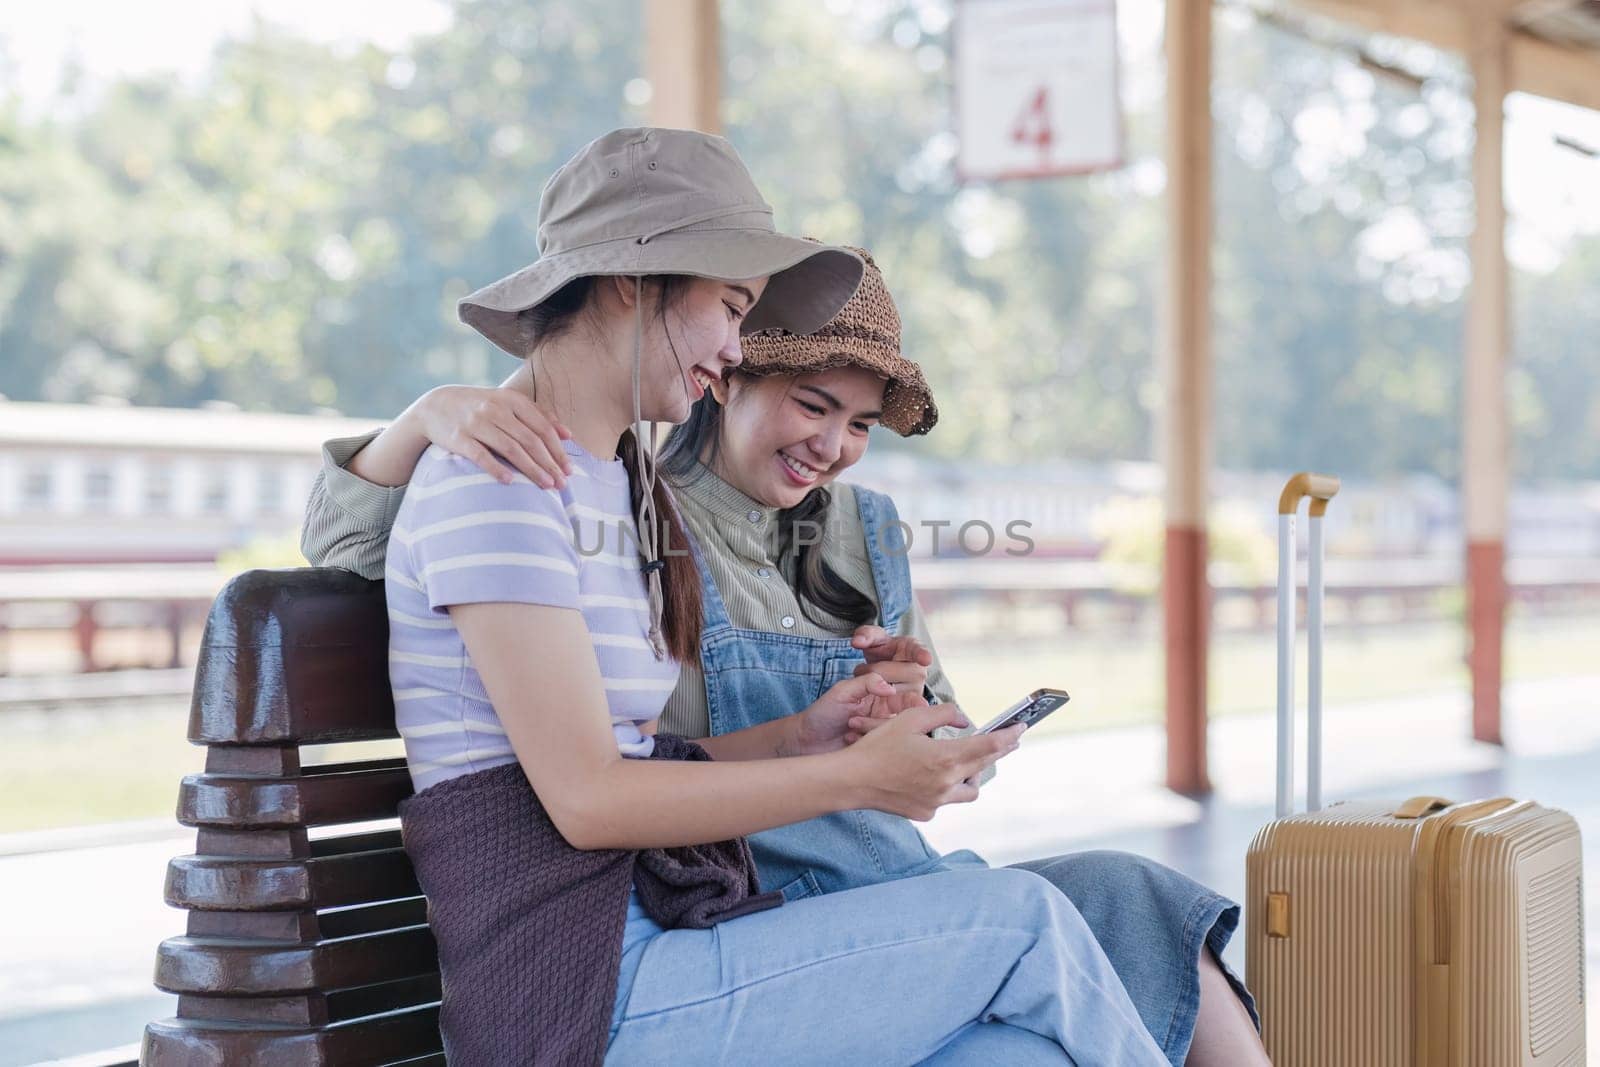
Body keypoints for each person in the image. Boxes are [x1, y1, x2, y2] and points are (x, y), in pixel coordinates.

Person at [305, 238, 1267, 1064]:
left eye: (859, 425)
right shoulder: (631, 500)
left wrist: (888, 720)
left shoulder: (861, 528)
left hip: (869, 891)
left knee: (1114, 920)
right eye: (814, 404)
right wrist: (425, 416)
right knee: (1031, 921)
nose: (835, 444)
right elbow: (365, 550)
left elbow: (916, 759)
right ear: (730, 382)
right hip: (735, 908)